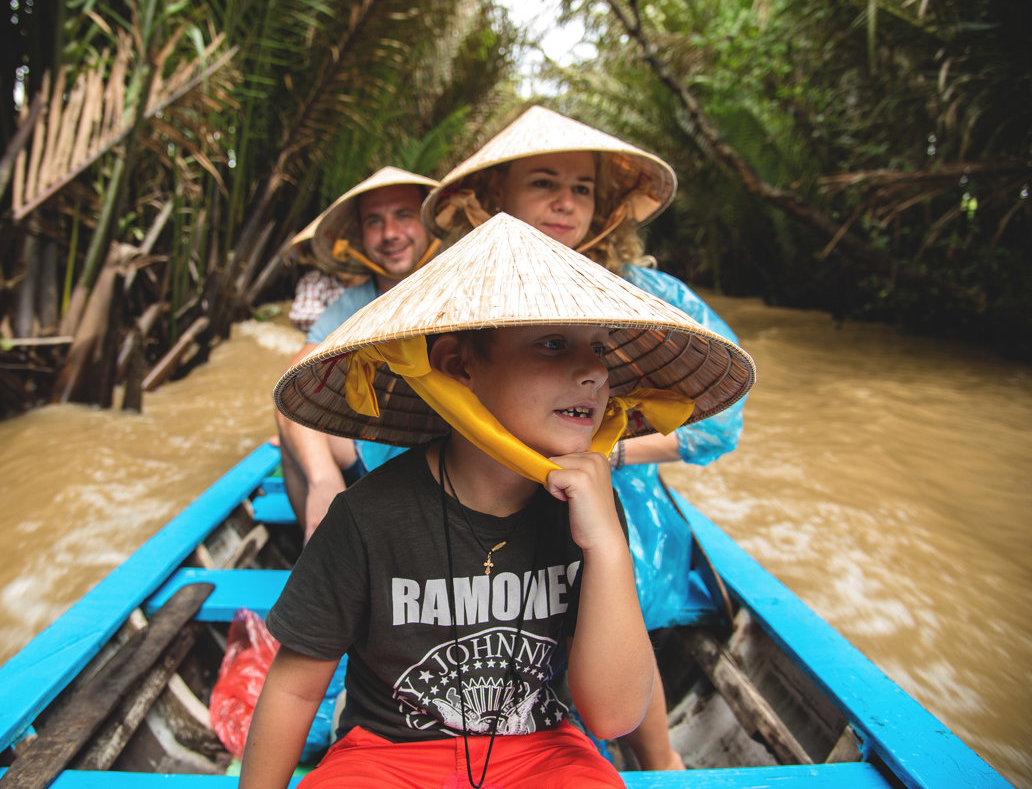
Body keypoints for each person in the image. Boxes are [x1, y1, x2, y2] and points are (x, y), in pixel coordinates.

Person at [245, 213, 755, 788]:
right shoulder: (367, 517)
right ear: (459, 366)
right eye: (553, 344)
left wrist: (608, 545)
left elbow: (612, 716)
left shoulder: (589, 509)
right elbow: (293, 687)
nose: (592, 371)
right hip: (388, 755)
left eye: (599, 349)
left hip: (541, 751)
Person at [422, 105, 747, 771]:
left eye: (583, 188)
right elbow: (404, 425)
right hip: (488, 505)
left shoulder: (645, 295)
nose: (566, 204)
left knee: (611, 582)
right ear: (495, 196)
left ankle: (659, 762)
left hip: (620, 500)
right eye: (544, 183)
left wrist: (604, 454)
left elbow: (719, 424)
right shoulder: (454, 294)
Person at [274, 167, 438, 539]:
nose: (390, 234)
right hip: (375, 458)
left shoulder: (465, 290)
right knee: (290, 418)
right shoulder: (351, 305)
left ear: (429, 223)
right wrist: (322, 477)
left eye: (404, 216)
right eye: (374, 222)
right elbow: (292, 384)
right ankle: (322, 554)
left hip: (453, 460)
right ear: (361, 237)